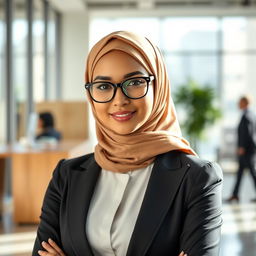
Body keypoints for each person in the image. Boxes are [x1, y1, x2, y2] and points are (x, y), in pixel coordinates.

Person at [32, 31, 223, 256]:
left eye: (134, 82)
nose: (119, 100)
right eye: (103, 86)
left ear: (157, 86)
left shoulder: (197, 178)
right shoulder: (67, 175)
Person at [226, 96, 256, 203]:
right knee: (240, 173)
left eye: (239, 102)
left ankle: (235, 194)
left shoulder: (247, 116)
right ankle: (235, 195)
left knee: (252, 172)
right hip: (248, 150)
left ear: (244, 103)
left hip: (247, 150)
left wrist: (242, 147)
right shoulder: (249, 114)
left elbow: (246, 133)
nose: (238, 104)